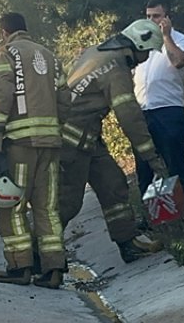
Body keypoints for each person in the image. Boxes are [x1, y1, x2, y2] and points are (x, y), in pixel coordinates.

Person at [58, 20, 171, 263]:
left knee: (113, 184)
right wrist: (152, 157)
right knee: (67, 201)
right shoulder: (116, 68)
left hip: (88, 138)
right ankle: (43, 252)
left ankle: (128, 242)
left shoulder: (96, 52)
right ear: (138, 45)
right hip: (71, 142)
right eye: (147, 52)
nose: (145, 58)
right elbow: (129, 115)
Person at [0, 13, 69, 289]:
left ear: (3, 32)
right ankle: (54, 268)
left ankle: (20, 266)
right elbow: (65, 100)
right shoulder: (49, 56)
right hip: (51, 145)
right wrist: (55, 129)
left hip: (20, 145)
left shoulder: (6, 54)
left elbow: (2, 95)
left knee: (13, 206)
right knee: (47, 208)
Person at [134, 0, 184, 206]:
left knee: (174, 163)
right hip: (144, 112)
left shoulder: (180, 40)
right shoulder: (143, 44)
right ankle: (150, 215)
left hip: (168, 111)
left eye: (156, 16)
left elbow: (178, 61)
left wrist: (166, 36)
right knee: (143, 168)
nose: (151, 20)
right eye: (148, 16)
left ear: (167, 18)